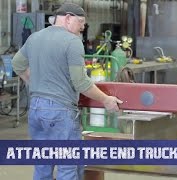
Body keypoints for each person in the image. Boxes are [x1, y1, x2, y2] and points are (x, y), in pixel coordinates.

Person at [12, 3, 123, 180]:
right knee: (68, 168)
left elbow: (17, 64)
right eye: (81, 23)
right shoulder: (72, 42)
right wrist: (106, 99)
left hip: (36, 110)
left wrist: (34, 82)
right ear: (68, 18)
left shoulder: (35, 37)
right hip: (60, 113)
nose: (82, 28)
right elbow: (80, 82)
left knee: (42, 166)